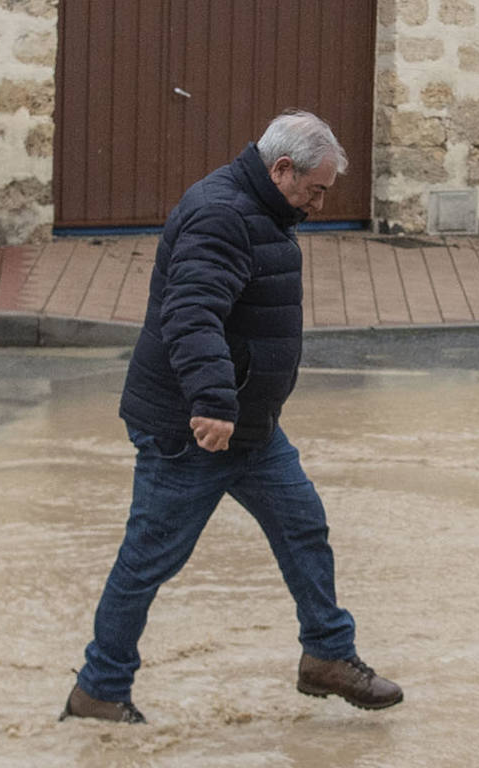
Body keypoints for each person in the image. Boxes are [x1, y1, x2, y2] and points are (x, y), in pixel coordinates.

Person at [60, 111, 403, 724]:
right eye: (315, 189)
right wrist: (213, 403)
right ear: (280, 169)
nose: (319, 204)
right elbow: (191, 315)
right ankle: (99, 691)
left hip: (251, 427)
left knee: (304, 527)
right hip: (193, 430)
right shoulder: (222, 215)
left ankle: (326, 656)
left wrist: (237, 406)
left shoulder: (264, 210)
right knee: (147, 561)